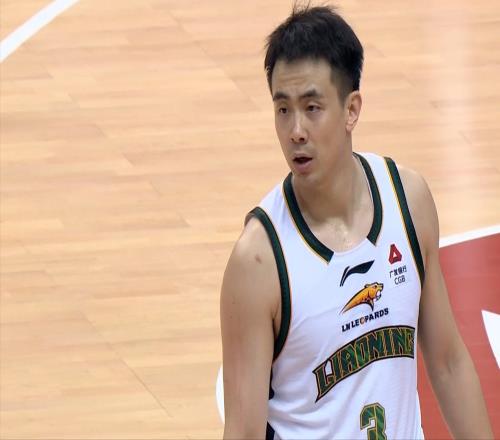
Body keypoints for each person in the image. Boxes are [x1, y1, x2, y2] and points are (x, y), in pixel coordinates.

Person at [220, 4, 493, 439]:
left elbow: (447, 363)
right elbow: (244, 432)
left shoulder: (408, 201)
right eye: (283, 109)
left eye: (312, 107)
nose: (295, 131)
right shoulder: (258, 262)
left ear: (351, 110)